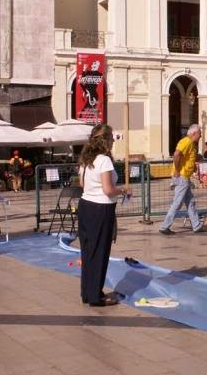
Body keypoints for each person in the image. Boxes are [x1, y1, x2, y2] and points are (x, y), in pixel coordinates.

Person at [77, 124, 130, 307]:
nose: (113, 143)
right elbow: (108, 190)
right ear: (106, 140)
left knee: (88, 251)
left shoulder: (86, 160)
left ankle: (87, 292)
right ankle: (96, 296)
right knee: (99, 252)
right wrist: (123, 190)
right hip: (101, 209)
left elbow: (82, 185)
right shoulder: (104, 161)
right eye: (112, 140)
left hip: (85, 206)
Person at [159, 124, 207, 235]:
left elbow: (188, 157)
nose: (201, 136)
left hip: (185, 177)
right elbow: (177, 154)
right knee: (177, 203)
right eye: (199, 133)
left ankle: (196, 226)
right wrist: (177, 170)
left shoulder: (192, 144)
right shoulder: (186, 142)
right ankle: (164, 226)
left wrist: (197, 158)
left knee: (190, 201)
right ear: (194, 134)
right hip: (181, 177)